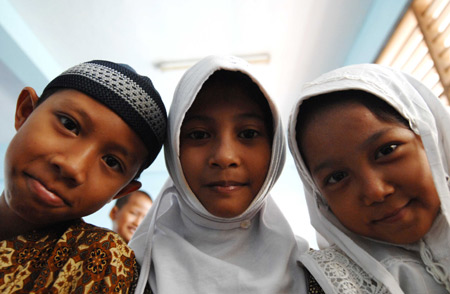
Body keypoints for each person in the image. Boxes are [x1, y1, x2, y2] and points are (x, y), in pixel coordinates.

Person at [130, 55, 314, 293]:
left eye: (248, 134)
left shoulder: (317, 276)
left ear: (274, 146)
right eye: (198, 135)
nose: (225, 157)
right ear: (174, 148)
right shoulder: (128, 275)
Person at [0, 60, 167, 293]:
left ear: (120, 192)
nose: (73, 167)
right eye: (69, 125)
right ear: (25, 112)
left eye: (111, 162)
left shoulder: (97, 257)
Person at [288, 64, 450, 293]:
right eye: (337, 177)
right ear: (322, 202)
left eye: (386, 150)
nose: (375, 191)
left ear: (430, 140)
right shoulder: (332, 284)